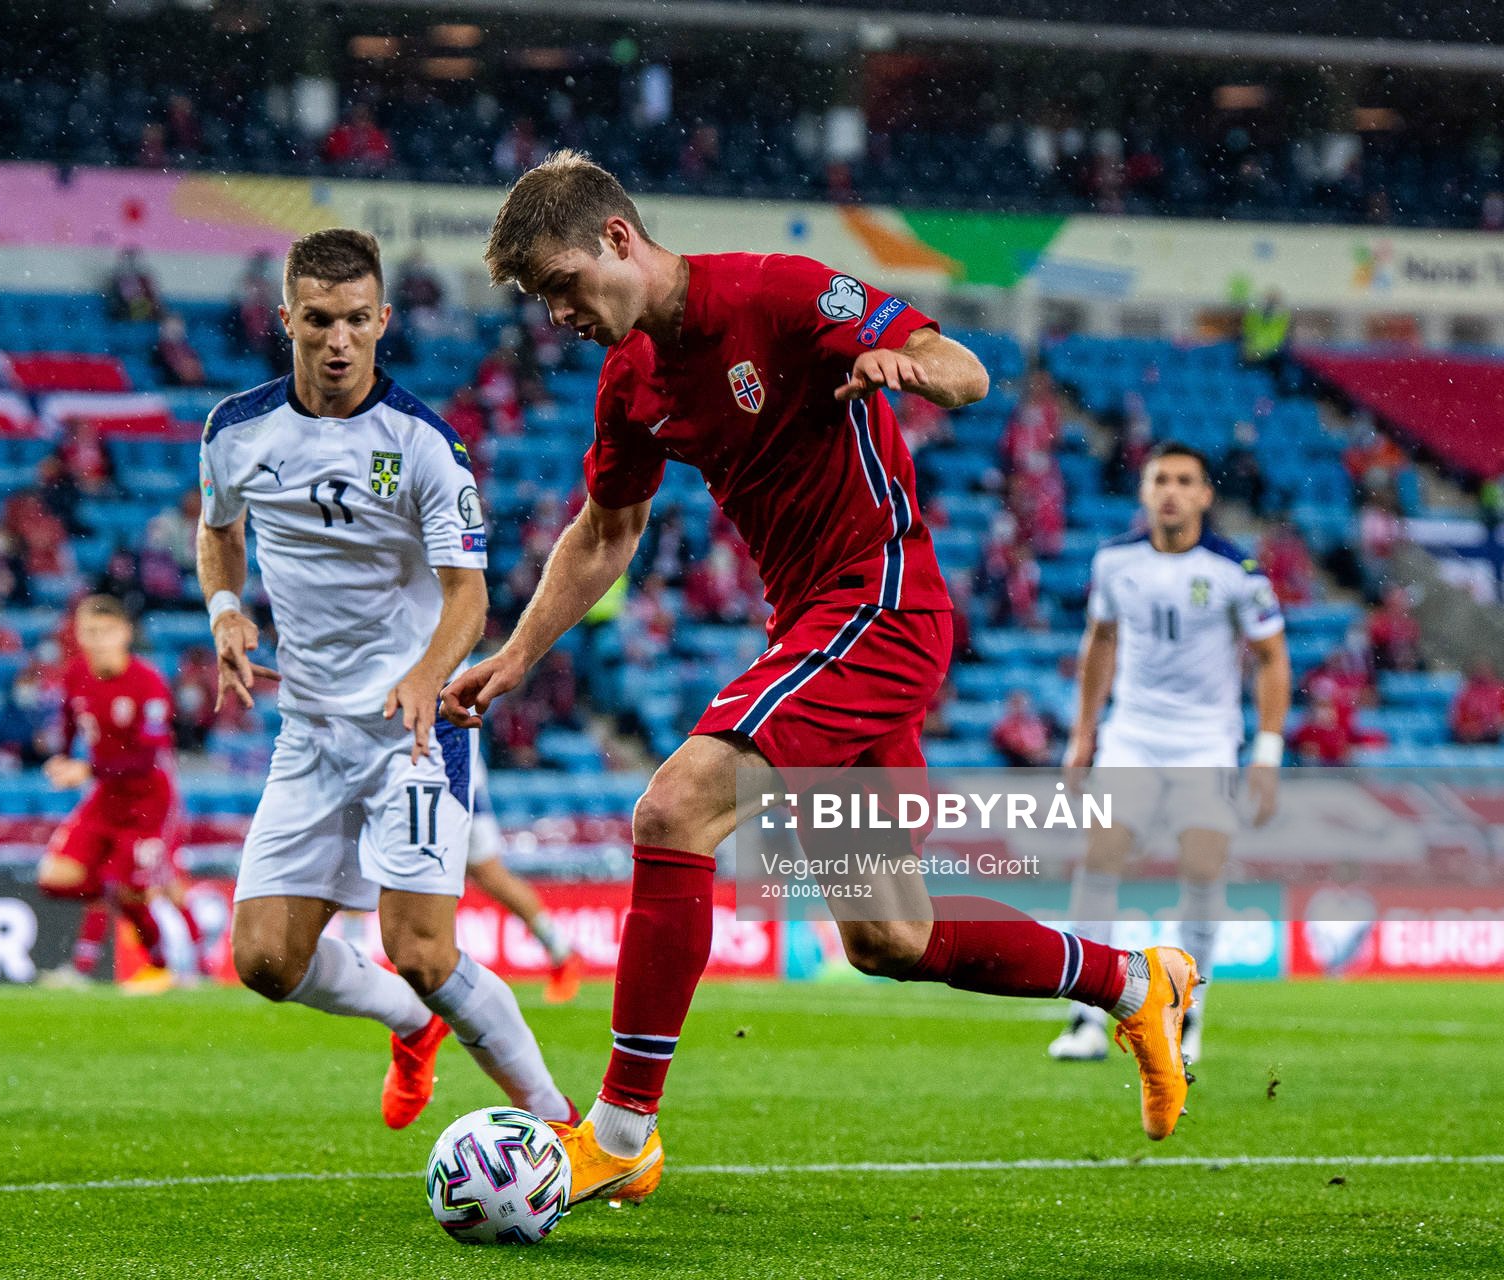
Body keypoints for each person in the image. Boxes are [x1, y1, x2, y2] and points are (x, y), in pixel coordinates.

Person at [442, 152, 1195, 1207]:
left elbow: (963, 365)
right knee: (892, 934)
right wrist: (516, 657)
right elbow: (606, 529)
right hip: (814, 625)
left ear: (618, 238)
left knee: (673, 807)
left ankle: (618, 1131)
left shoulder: (775, 291)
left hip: (882, 602)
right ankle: (1132, 978)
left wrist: (914, 367)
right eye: (540, 300)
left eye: (562, 284)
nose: (557, 313)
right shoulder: (632, 381)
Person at [198, 228, 576, 1132]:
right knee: (263, 963)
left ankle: (566, 1125)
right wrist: (225, 610)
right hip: (310, 731)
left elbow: (468, 599)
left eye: (356, 322)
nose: (337, 341)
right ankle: (410, 1029)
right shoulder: (236, 430)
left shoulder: (425, 447)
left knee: (420, 949)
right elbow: (219, 530)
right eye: (319, 321)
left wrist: (424, 675)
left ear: (384, 321)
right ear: (286, 318)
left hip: (412, 731)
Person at [1050, 444, 1291, 1067]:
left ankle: (1186, 1018)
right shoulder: (1115, 562)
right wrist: (1084, 734)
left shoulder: (1239, 568)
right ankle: (1085, 1016)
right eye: (1161, 479)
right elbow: (1099, 642)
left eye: (1186, 480)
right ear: (1144, 491)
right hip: (1132, 732)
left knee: (1203, 868)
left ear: (1206, 495)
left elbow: (1271, 657)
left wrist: (1266, 751)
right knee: (1102, 856)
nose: (1172, 491)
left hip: (1206, 740)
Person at [34, 596, 196, 994]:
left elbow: (145, 757)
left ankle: (165, 967)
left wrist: (85, 769)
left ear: (125, 633)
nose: (96, 641)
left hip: (150, 801)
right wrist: (61, 756)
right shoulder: (76, 675)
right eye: (88, 632)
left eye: (105, 632)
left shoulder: (148, 683)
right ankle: (164, 948)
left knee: (132, 886)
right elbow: (71, 719)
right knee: (55, 877)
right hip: (107, 795)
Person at [463, 758, 582, 1004]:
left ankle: (560, 950)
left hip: (446, 769)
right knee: (483, 873)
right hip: (434, 767)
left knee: (486, 873)